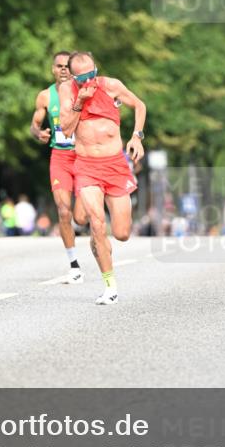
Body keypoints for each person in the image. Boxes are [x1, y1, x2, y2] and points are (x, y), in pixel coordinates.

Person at [59, 51, 146, 306]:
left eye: (92, 74)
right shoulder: (68, 91)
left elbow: (140, 105)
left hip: (115, 165)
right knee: (97, 224)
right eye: (83, 77)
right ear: (74, 76)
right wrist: (80, 102)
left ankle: (100, 242)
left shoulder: (111, 86)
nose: (89, 81)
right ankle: (110, 287)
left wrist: (137, 136)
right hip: (86, 166)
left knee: (121, 233)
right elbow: (66, 128)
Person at [30, 51, 87, 283]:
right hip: (60, 158)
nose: (63, 69)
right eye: (59, 66)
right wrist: (39, 133)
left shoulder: (83, 92)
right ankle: (74, 265)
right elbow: (34, 125)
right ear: (53, 69)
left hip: (84, 157)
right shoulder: (45, 96)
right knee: (63, 211)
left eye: (67, 66)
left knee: (81, 218)